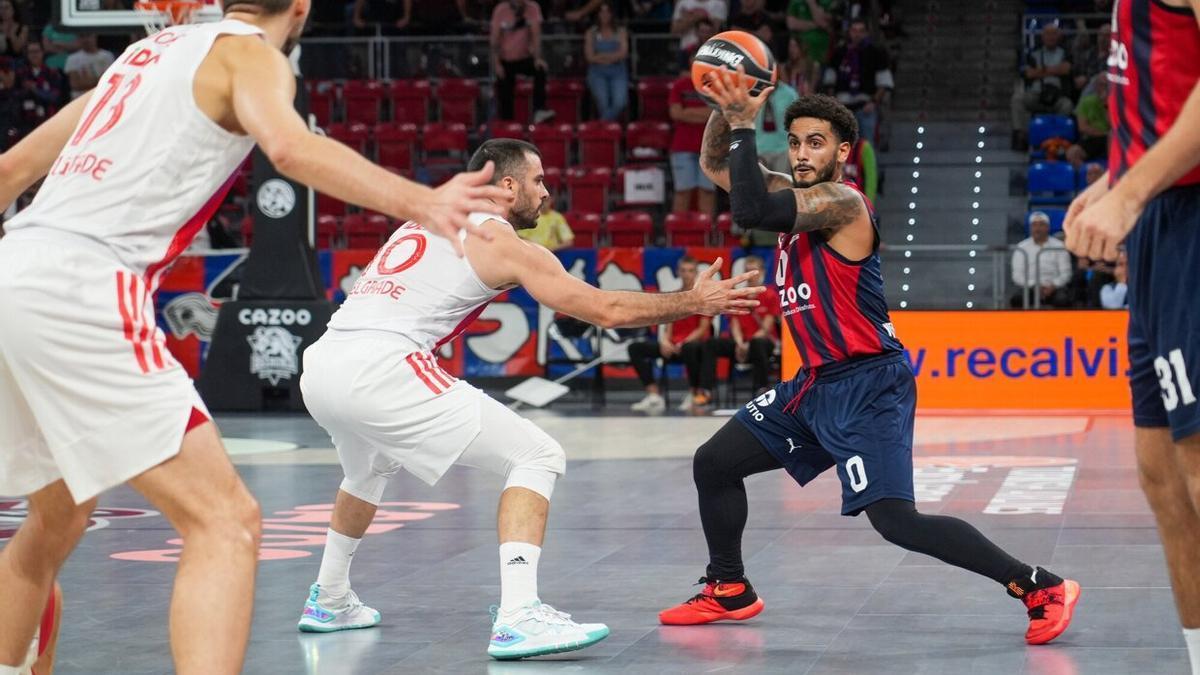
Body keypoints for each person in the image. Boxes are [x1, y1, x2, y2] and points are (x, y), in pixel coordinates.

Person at [0, 0, 515, 671]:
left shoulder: (138, 57)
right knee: (226, 521)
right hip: (84, 282)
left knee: (59, 515)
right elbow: (291, 147)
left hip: (15, 265)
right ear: (302, 6)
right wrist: (424, 201)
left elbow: (9, 172)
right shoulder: (251, 55)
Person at [657, 71, 1079, 648]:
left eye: (816, 142)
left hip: (869, 383)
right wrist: (723, 100)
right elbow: (715, 165)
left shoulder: (841, 203)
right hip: (814, 385)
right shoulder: (794, 193)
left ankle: (1038, 585)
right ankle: (728, 587)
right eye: (797, 140)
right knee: (714, 463)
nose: (804, 152)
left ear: (842, 151)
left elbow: (750, 209)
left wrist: (741, 121)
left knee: (897, 522)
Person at [295, 139, 762, 659]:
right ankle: (519, 617)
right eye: (538, 180)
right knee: (536, 455)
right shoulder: (502, 242)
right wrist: (695, 301)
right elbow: (604, 309)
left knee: (367, 470)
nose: (546, 191)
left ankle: (330, 598)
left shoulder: (428, 217)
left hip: (323, 364)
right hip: (380, 367)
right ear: (509, 185)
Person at [1063, 3, 1200, 671]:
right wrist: (1116, 180)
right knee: (1162, 474)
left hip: (1190, 218)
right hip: (1159, 221)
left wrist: (1131, 190)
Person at [627, 256, 713, 411]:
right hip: (672, 346)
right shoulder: (674, 296)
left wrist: (683, 342)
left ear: (697, 273)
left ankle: (694, 393)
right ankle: (653, 395)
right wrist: (665, 341)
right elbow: (669, 325)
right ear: (678, 272)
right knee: (635, 348)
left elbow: (703, 328)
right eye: (683, 270)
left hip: (693, 346)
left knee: (690, 348)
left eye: (691, 271)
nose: (687, 274)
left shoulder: (704, 297)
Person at [699, 255, 780, 399]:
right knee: (712, 343)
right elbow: (734, 323)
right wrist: (740, 343)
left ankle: (762, 388)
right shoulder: (738, 296)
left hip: (762, 341)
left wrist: (748, 345)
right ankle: (706, 390)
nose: (750, 275)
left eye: (753, 271)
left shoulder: (769, 295)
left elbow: (767, 327)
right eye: (747, 271)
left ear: (762, 272)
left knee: (758, 343)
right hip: (741, 343)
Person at [822, 18, 893, 145]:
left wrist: (873, 102)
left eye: (861, 31)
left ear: (866, 33)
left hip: (865, 107)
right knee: (841, 147)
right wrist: (834, 103)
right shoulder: (839, 52)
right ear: (849, 32)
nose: (857, 34)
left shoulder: (876, 52)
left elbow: (884, 82)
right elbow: (829, 81)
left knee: (867, 147)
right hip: (842, 108)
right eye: (854, 30)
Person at [491, 0, 555, 123]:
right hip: (506, 60)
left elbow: (536, 37)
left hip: (524, 58)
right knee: (505, 91)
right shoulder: (501, 10)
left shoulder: (533, 8)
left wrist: (537, 58)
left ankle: (539, 110)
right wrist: (497, 64)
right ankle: (507, 125)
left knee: (540, 69)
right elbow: (494, 41)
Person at [1012, 23, 1074, 150]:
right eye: (1048, 34)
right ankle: (1022, 135)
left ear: (1059, 36)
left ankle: (1056, 138)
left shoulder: (1065, 52)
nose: (1051, 37)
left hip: (1057, 94)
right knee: (1017, 99)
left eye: (1054, 34)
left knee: (1067, 105)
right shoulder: (1034, 53)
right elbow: (1028, 74)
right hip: (1037, 93)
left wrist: (1041, 71)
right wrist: (1055, 70)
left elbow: (1066, 70)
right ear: (1042, 36)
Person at [669, 57, 717, 215]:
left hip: (709, 149)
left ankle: (705, 237)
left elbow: (716, 115)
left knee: (707, 192)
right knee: (682, 192)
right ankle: (679, 236)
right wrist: (702, 115)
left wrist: (687, 112)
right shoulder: (680, 85)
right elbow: (675, 113)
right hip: (682, 147)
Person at [1010, 211, 1072, 308]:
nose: (1037, 229)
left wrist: (1053, 285)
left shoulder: (1059, 246)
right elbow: (1017, 276)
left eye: (1041, 225)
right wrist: (1034, 285)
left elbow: (1066, 274)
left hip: (1054, 287)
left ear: (1048, 227)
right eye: (1034, 225)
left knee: (1063, 300)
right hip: (1030, 287)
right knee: (1017, 299)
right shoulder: (1021, 247)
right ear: (1030, 228)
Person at [584, 1, 628, 121]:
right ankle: (607, 134)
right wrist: (612, 56)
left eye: (607, 12)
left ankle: (600, 126)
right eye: (602, 12)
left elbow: (623, 53)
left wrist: (601, 56)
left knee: (620, 102)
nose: (605, 15)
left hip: (618, 71)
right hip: (597, 72)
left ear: (612, 14)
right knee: (603, 104)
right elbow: (589, 57)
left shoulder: (620, 31)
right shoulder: (591, 32)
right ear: (598, 14)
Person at [63, 34, 113, 100]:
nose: (86, 40)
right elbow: (75, 85)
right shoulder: (72, 58)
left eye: (88, 35)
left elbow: (109, 81)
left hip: (102, 97)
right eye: (82, 37)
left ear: (95, 36)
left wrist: (86, 81)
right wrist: (98, 80)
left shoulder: (107, 56)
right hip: (80, 99)